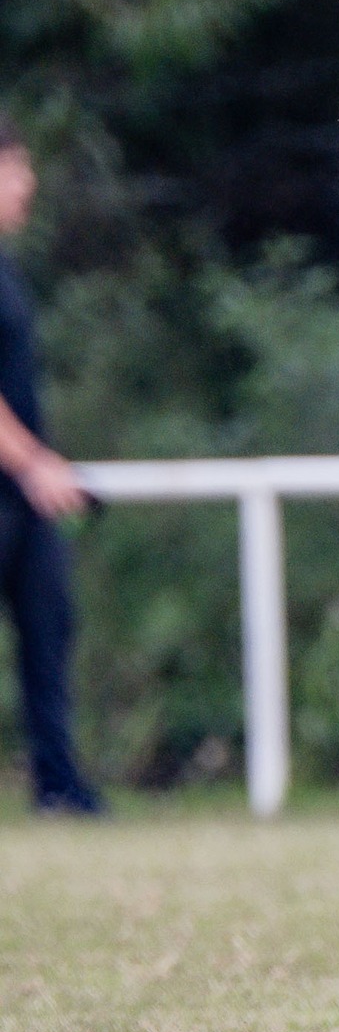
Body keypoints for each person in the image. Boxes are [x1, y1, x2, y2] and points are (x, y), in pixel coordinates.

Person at [0, 122, 99, 814]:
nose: (28, 183)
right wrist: (34, 461)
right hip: (16, 480)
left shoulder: (6, 267)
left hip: (21, 492)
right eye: (16, 168)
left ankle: (60, 788)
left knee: (50, 628)